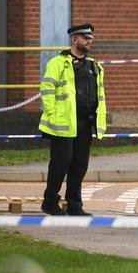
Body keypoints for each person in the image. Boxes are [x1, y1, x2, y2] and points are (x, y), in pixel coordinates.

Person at [39, 23, 107, 216]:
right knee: (61, 163)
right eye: (86, 38)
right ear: (74, 39)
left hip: (86, 121)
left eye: (91, 38)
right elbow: (47, 89)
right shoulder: (58, 63)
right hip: (63, 122)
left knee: (79, 164)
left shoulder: (95, 66)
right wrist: (52, 114)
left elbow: (100, 95)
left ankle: (74, 204)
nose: (90, 41)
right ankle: (50, 202)